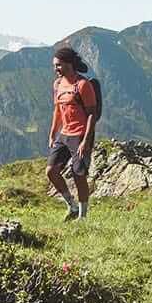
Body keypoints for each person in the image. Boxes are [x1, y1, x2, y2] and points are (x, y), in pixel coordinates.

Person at [46, 46, 99, 221]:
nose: (56, 68)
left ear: (69, 64)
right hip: (64, 134)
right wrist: (53, 133)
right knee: (51, 171)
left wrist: (85, 141)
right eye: (54, 65)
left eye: (58, 65)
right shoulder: (57, 85)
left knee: (79, 175)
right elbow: (57, 110)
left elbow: (92, 114)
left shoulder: (83, 85)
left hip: (80, 135)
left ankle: (83, 217)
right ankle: (72, 205)